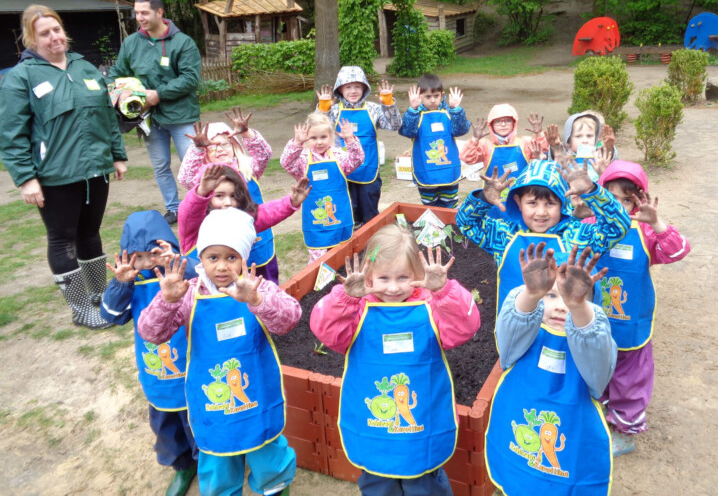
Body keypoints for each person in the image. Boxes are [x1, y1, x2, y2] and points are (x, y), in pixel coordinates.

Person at [138, 208, 301, 496]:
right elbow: (152, 333)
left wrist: (258, 301)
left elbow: (290, 320)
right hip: (212, 402)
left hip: (257, 396)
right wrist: (166, 301)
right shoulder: (188, 294)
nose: (223, 267)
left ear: (244, 259)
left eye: (231, 257)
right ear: (200, 258)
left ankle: (275, 488)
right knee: (218, 461)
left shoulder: (258, 288)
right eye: (213, 257)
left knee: (268, 456)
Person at [310, 225, 480, 495]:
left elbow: (465, 327)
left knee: (424, 483)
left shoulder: (432, 306)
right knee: (378, 482)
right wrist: (345, 299)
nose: (392, 287)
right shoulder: (356, 310)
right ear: (368, 275)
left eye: (403, 277)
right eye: (383, 278)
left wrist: (444, 292)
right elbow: (325, 330)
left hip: (422, 421)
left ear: (418, 274)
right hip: (374, 423)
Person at [0, 4, 127, 330]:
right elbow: (12, 134)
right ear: (31, 39)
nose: (54, 37)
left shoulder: (85, 69)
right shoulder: (20, 78)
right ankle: (81, 309)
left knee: (90, 234)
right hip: (54, 175)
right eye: (44, 33)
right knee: (62, 240)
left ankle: (98, 294)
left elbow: (107, 116)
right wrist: (26, 178)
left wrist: (117, 154)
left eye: (56, 30)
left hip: (95, 170)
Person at [486, 243, 616, 495]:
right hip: (518, 431)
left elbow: (598, 376)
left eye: (571, 297)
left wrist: (578, 308)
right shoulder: (525, 331)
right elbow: (507, 341)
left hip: (570, 437)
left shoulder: (593, 338)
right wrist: (531, 295)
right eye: (551, 295)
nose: (560, 306)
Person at [587, 160, 690, 456]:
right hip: (596, 320)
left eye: (626, 198)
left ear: (639, 198)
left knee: (630, 380)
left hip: (633, 326)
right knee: (601, 370)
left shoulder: (645, 231)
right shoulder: (591, 227)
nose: (618, 205)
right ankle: (604, 411)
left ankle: (625, 431)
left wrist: (656, 223)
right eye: (611, 197)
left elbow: (678, 250)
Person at [100, 211, 199, 496]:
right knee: (166, 425)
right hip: (156, 373)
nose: (147, 264)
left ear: (168, 247)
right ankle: (182, 467)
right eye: (138, 257)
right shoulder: (131, 283)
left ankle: (208, 463)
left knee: (199, 421)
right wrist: (120, 284)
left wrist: (180, 263)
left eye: (153, 254)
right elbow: (111, 316)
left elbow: (205, 276)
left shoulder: (185, 276)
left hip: (192, 368)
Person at [456, 159, 630, 319]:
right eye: (532, 203)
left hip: (564, 328)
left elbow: (618, 226)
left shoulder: (577, 237)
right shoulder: (504, 235)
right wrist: (483, 199)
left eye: (550, 204)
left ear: (563, 203)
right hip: (515, 330)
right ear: (518, 202)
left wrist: (591, 192)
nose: (541, 212)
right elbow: (466, 223)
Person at [107, 0, 201, 224]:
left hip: (181, 117)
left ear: (160, 12)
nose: (139, 17)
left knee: (192, 165)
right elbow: (116, 74)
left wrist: (159, 94)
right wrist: (119, 92)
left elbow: (190, 79)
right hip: (149, 119)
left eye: (144, 12)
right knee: (160, 166)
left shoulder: (183, 42)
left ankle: (199, 207)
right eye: (136, 13)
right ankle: (174, 209)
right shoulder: (131, 43)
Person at [178, 163, 310, 283]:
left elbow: (266, 213)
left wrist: (290, 202)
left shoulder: (241, 221)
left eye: (234, 196)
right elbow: (189, 211)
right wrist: (201, 191)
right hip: (200, 295)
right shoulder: (194, 226)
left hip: (235, 292)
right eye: (219, 196)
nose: (228, 202)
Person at [316, 66, 402, 226]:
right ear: (340, 89)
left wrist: (389, 105)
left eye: (357, 86)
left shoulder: (373, 109)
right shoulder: (334, 111)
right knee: (348, 214)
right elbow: (317, 129)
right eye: (348, 87)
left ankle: (370, 244)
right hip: (343, 172)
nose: (353, 91)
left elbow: (394, 125)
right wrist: (323, 110)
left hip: (369, 171)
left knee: (370, 217)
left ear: (364, 87)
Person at [281, 113, 362, 264]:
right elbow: (286, 163)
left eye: (323, 137)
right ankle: (320, 285)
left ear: (331, 136)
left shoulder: (339, 155)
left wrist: (350, 140)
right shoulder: (303, 159)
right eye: (313, 138)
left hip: (340, 218)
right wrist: (296, 143)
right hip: (315, 222)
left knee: (342, 256)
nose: (319, 142)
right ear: (306, 139)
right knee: (319, 262)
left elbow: (357, 160)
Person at [398, 74, 470, 208]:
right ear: (420, 96)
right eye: (428, 97)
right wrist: (412, 110)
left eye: (436, 96)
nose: (432, 100)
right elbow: (407, 131)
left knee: (450, 205)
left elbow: (461, 130)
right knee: (430, 206)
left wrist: (456, 109)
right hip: (426, 172)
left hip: (448, 172)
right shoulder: (415, 115)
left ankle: (450, 227)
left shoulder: (450, 113)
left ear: (442, 95)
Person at [459, 103, 548, 192]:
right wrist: (475, 139)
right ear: (491, 125)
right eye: (498, 121)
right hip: (493, 197)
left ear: (514, 123)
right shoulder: (485, 145)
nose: (503, 124)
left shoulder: (524, 142)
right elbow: (467, 158)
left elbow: (545, 152)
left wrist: (539, 134)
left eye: (507, 120)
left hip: (522, 195)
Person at [177, 111, 271, 191]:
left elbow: (264, 155)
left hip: (251, 212)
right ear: (205, 154)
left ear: (234, 146)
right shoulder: (206, 175)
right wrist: (197, 149)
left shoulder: (247, 166)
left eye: (224, 144)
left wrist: (246, 133)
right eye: (212, 147)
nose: (220, 150)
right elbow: (185, 179)